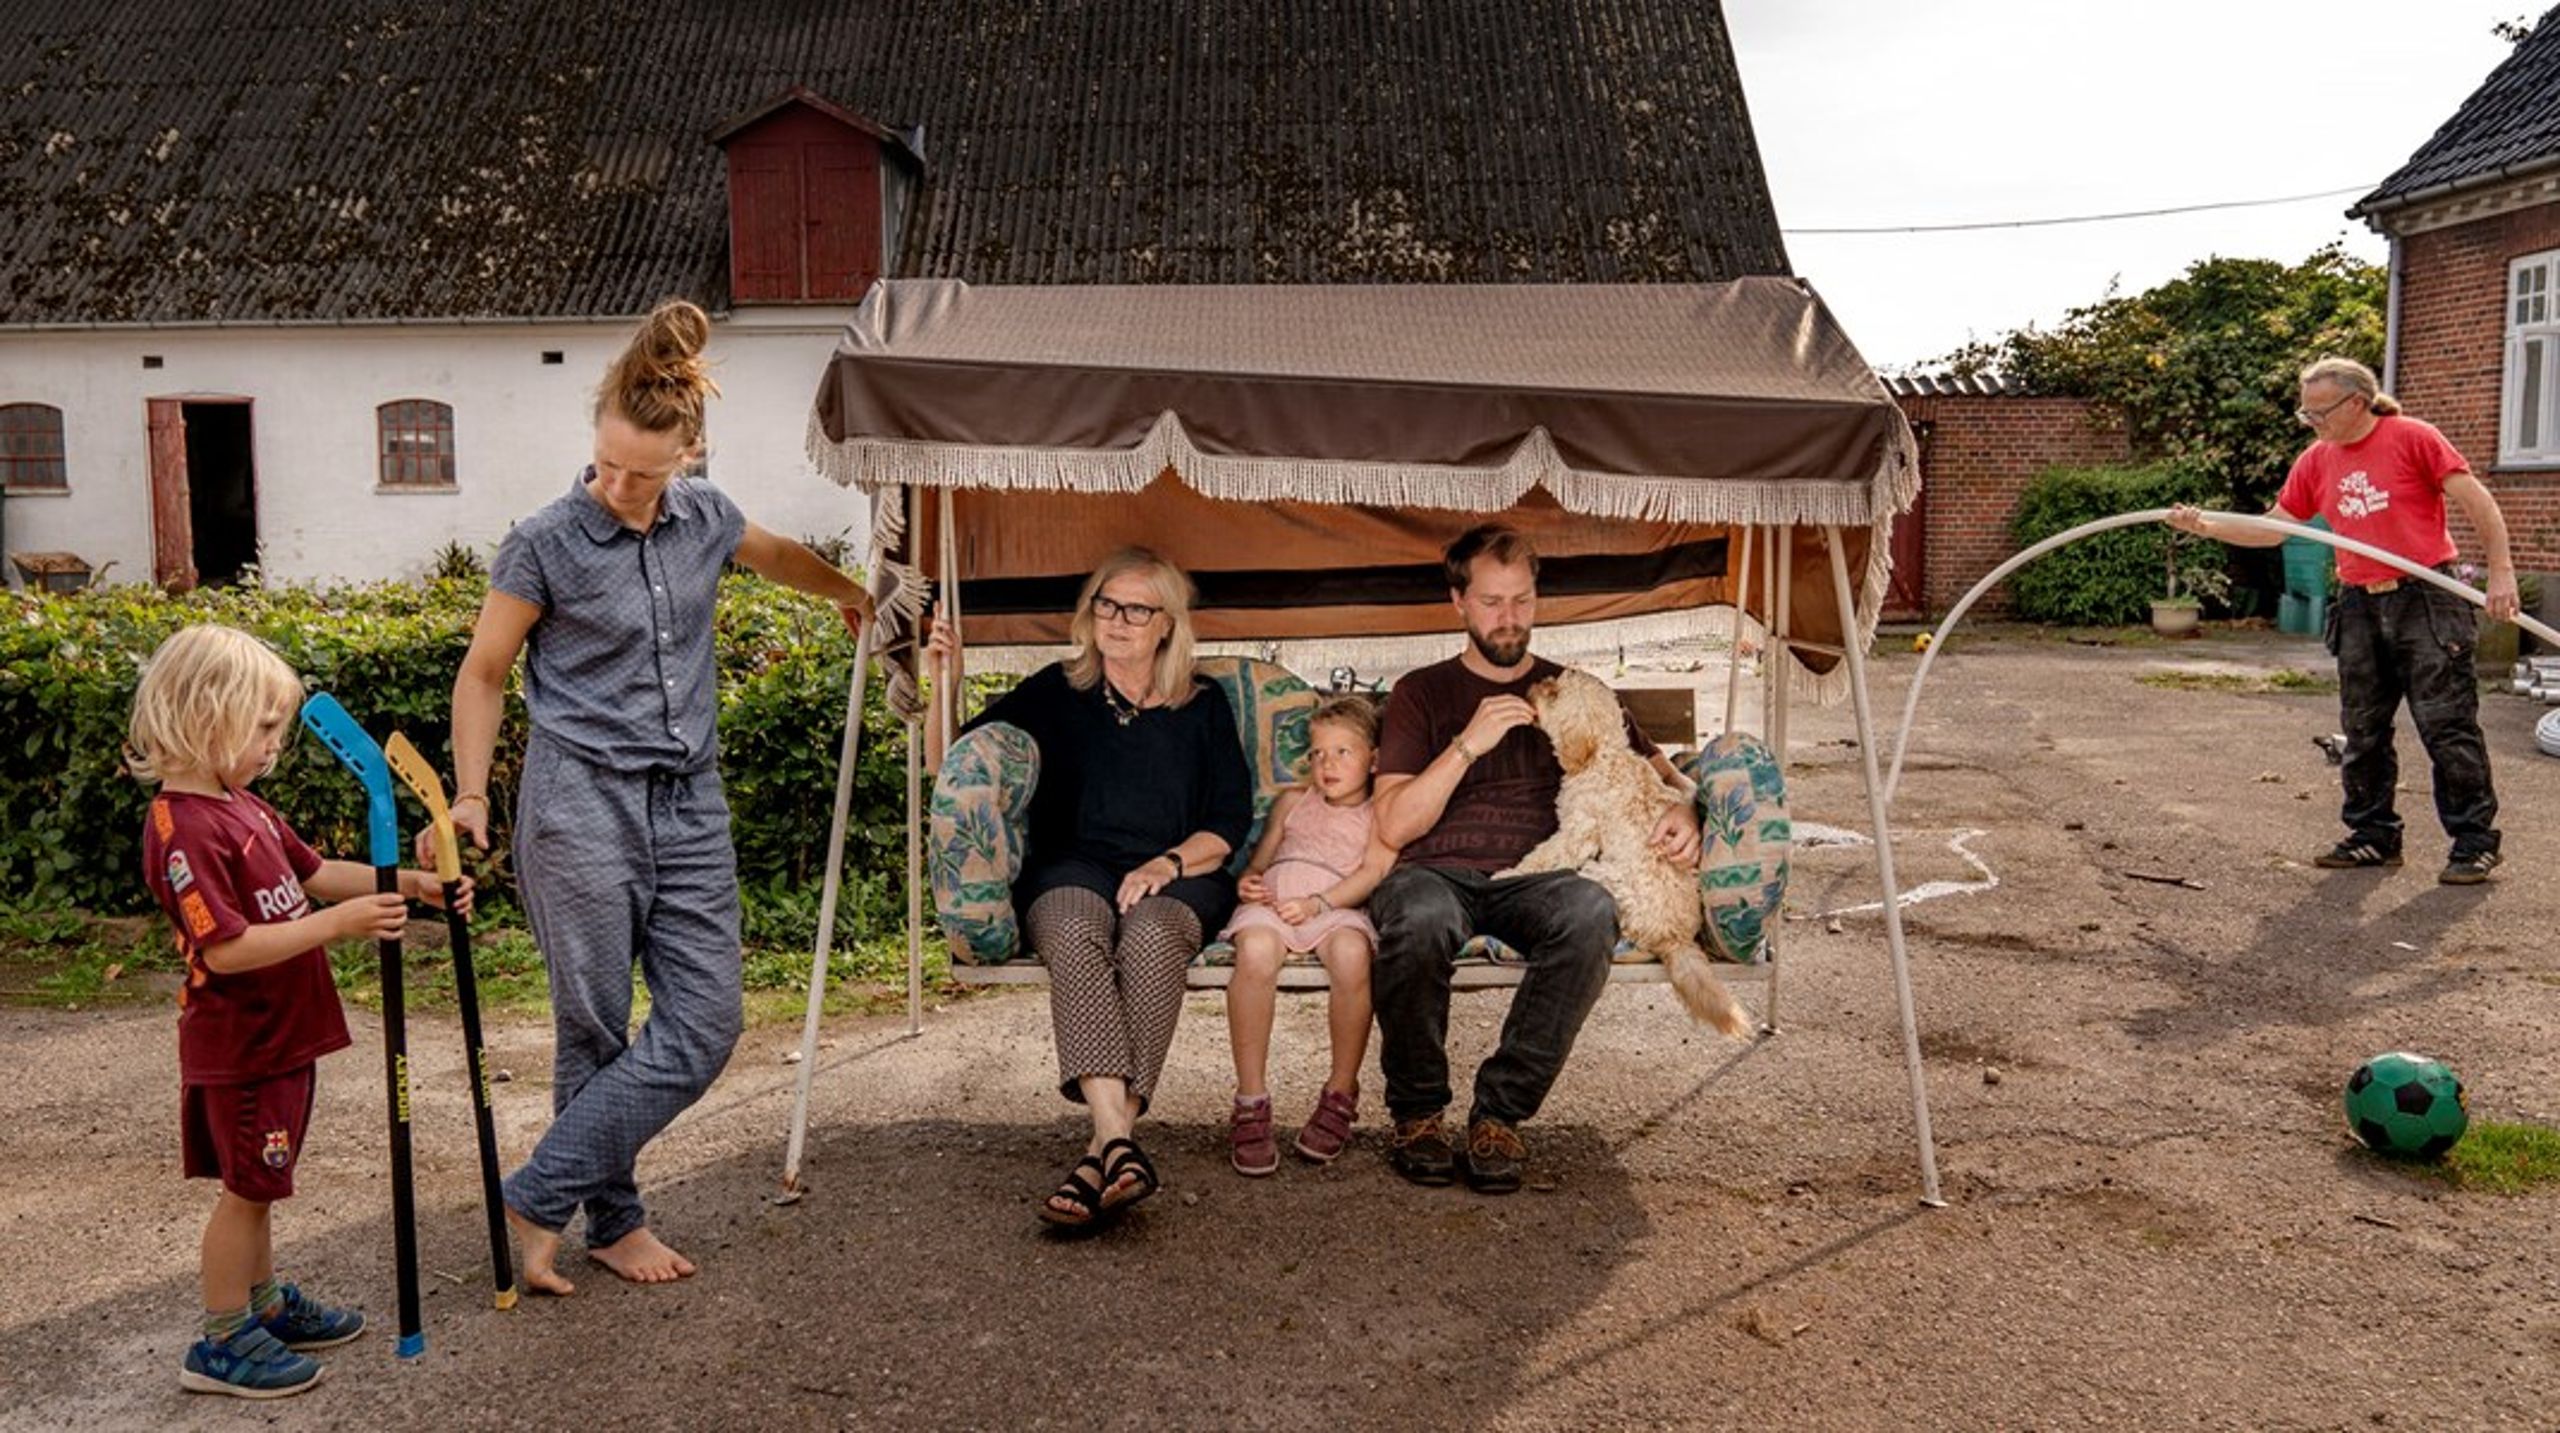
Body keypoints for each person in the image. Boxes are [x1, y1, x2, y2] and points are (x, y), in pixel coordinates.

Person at [441, 299, 873, 1294]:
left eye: (641, 470)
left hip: (687, 803)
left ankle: (534, 1193)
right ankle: (614, 1219)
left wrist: (848, 592)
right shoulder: (543, 540)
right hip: (577, 799)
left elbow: (774, 554)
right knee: (592, 1025)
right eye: (604, 462)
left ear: (687, 456)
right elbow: (484, 671)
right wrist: (469, 793)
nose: (615, 485)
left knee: (706, 1022)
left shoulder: (706, 516)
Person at [130, 624, 470, 1398]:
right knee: (246, 1190)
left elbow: (315, 873)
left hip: (283, 1037)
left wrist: (407, 887)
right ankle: (221, 1342)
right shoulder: (182, 827)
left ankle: (264, 1304)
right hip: (243, 1043)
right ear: (205, 713)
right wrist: (338, 927)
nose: (274, 745)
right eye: (263, 727)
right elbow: (227, 949)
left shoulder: (241, 804)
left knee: (264, 1181)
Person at [1368, 524, 1700, 1194]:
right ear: (1457, 601)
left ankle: (1499, 1114)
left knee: (1590, 914)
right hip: (1439, 872)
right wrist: (1467, 743)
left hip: (1547, 877)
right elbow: (1395, 821)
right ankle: (1419, 1112)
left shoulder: (1576, 690)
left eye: (1522, 599)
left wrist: (1690, 810)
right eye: (1491, 601)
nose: (1509, 617)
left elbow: (1670, 776)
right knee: (1418, 916)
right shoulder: (1421, 693)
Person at [926, 547, 1253, 1228]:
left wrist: (1167, 862)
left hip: (1179, 872)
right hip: (1073, 864)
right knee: (1076, 933)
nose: (1118, 619)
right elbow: (947, 763)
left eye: (1137, 608)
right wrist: (943, 679)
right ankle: (1120, 1144)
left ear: (1167, 623)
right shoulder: (1059, 689)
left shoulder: (1203, 704)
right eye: (1107, 603)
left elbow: (1227, 821)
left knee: (1153, 935)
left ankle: (1097, 1150)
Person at [2169, 356, 2518, 885]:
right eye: (2305, 414)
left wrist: (2500, 573)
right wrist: (2208, 527)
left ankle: (2474, 843)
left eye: (2319, 412)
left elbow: (2479, 501)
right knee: (2362, 728)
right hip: (2358, 601)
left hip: (2425, 597)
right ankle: (2373, 835)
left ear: (2356, 402)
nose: (2312, 423)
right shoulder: (2316, 460)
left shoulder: (2413, 438)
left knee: (2446, 725)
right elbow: (2275, 529)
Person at [1219, 694, 1395, 1175]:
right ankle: (1251, 1097)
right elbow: (1259, 863)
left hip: (1336, 908)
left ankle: (1341, 1090)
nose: (1327, 764)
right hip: (1277, 903)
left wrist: (1321, 904)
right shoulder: (1294, 803)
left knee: (1353, 957)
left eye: (1343, 752)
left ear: (1374, 760)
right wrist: (1249, 882)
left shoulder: (1380, 811)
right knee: (1254, 951)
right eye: (1318, 753)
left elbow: (1371, 875)